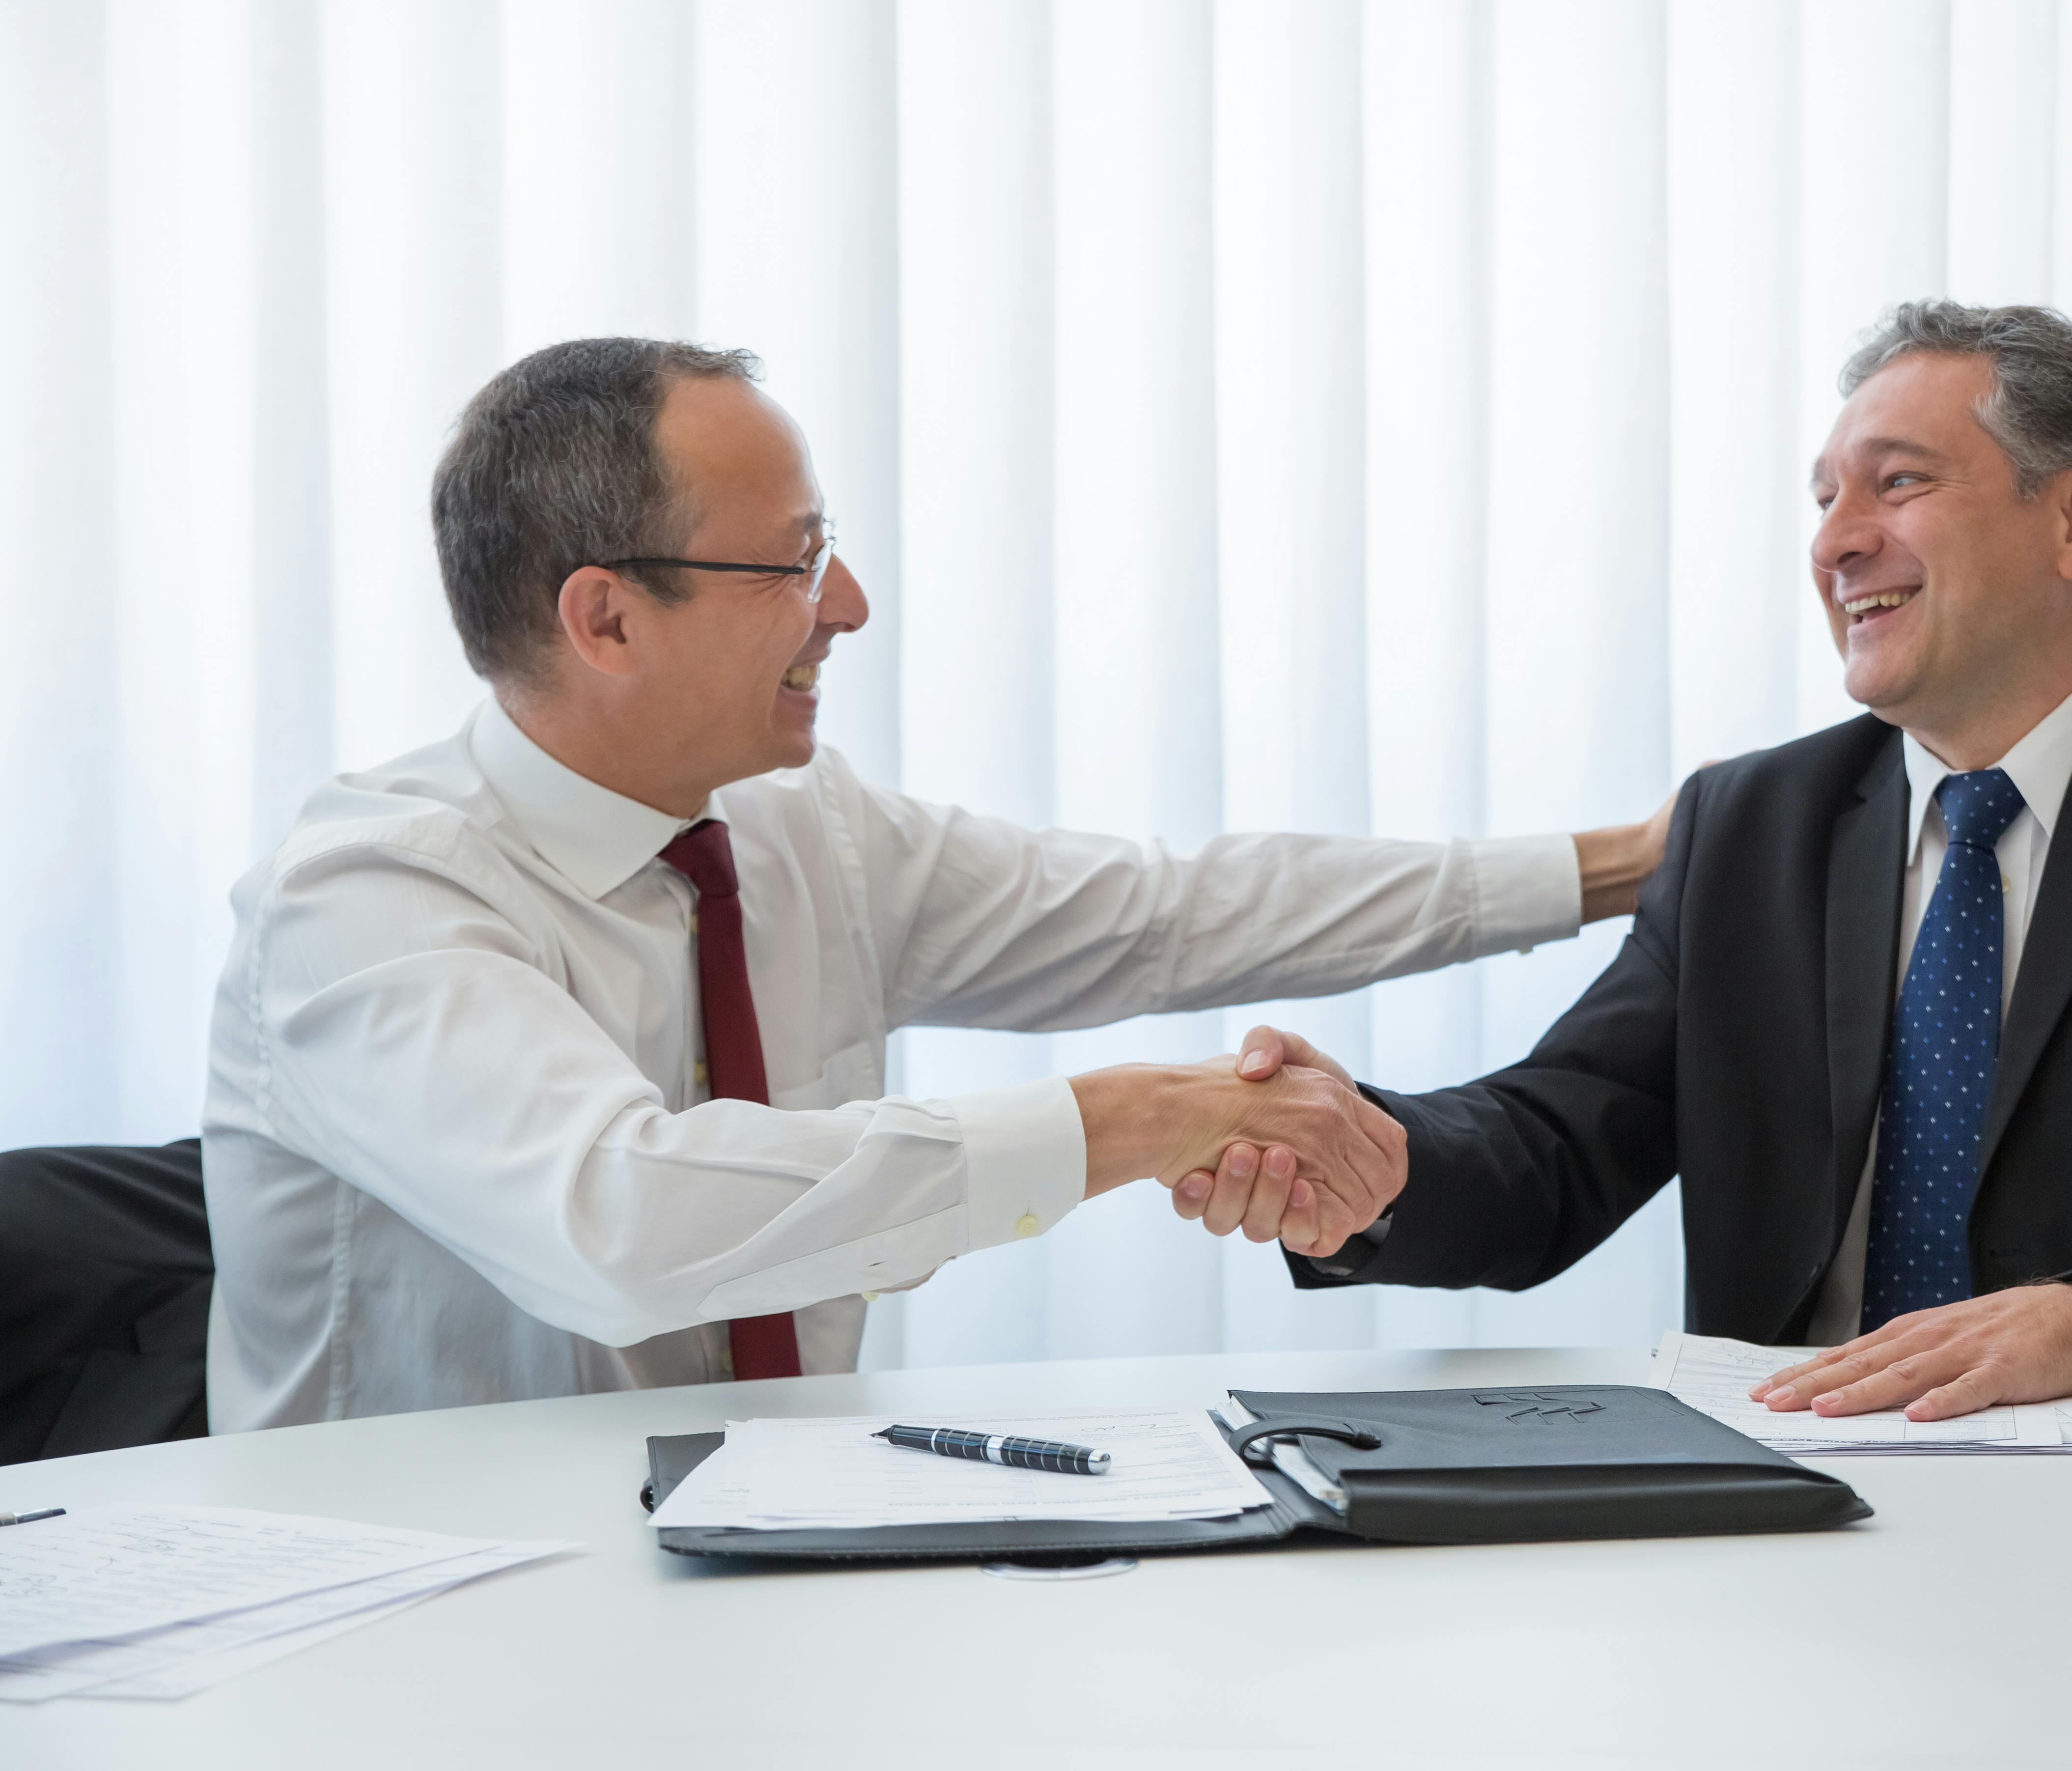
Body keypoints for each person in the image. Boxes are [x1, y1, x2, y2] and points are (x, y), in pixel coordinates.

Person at [202, 338, 1671, 1431]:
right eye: (794, 563)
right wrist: (1139, 1120)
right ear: (606, 618)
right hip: (426, 1628)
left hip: (771, 1574)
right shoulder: (363, 899)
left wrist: (1636, 866)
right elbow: (624, 1223)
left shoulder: (799, 833)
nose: (846, 606)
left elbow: (1169, 915)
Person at [1204, 299, 2072, 1417]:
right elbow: (1556, 1143)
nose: (1837, 542)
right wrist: (1371, 1158)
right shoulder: (1749, 827)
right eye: (1827, 497)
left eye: (1897, 483)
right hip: (1793, 1498)